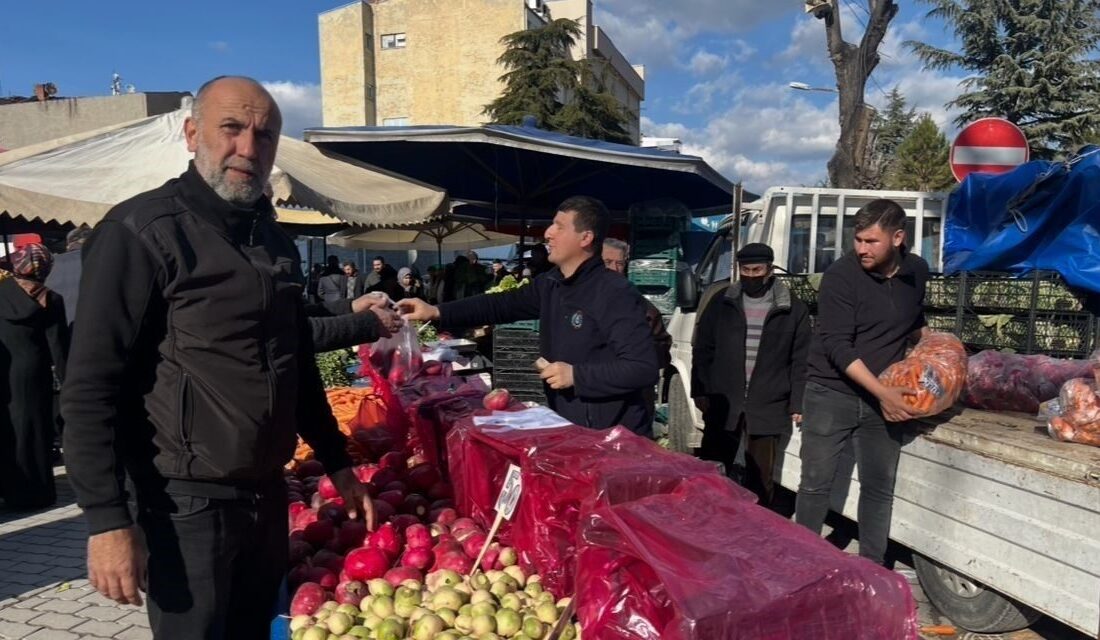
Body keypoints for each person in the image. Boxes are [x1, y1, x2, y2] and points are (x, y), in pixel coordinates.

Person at [62, 76, 381, 636]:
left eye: (265, 135)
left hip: (265, 494)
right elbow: (90, 386)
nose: (249, 149)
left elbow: (296, 363)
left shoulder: (273, 242)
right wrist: (108, 520)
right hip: (184, 504)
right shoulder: (141, 233)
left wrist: (336, 460)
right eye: (231, 129)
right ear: (191, 134)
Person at [400, 196, 659, 436]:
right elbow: (500, 305)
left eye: (559, 226)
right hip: (571, 428)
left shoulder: (613, 292)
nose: (548, 233)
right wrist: (436, 311)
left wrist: (576, 376)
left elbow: (642, 368)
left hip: (615, 439)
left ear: (585, 238)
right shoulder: (551, 283)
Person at [795, 199, 928, 566]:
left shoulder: (916, 271)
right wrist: (883, 393)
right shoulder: (841, 276)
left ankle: (873, 566)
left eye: (872, 241)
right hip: (830, 393)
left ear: (898, 238)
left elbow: (914, 322)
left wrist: (937, 350)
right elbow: (837, 344)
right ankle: (803, 563)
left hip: (879, 397)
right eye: (858, 240)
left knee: (878, 486)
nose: (861, 249)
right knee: (815, 483)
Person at [692, 243, 810, 508]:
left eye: (757, 269)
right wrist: (699, 390)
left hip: (768, 403)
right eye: (745, 270)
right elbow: (703, 349)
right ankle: (708, 521)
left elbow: (800, 359)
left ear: (770, 269)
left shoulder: (792, 308)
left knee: (761, 478)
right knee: (713, 471)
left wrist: (797, 402)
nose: (751, 275)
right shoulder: (722, 302)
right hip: (724, 401)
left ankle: (759, 532)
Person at [0, 243, 68, 509]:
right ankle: (34, 493)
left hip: (3, 372)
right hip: (33, 375)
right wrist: (67, 379)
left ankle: (8, 488)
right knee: (34, 433)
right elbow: (58, 348)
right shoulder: (49, 299)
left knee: (6, 431)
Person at [45, 225, 92, 329]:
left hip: (60, 327)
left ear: (68, 244)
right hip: (91, 325)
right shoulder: (98, 262)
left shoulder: (50, 264)